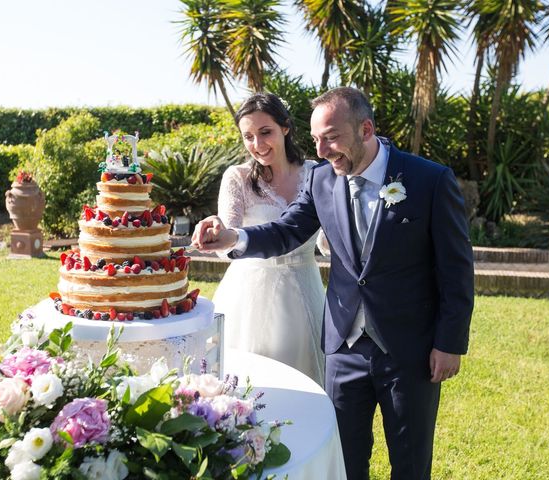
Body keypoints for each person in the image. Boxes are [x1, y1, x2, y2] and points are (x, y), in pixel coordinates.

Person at [192, 87, 475, 480]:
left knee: (410, 465)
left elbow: (456, 270)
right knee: (344, 461)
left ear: (366, 128)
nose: (322, 151)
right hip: (342, 349)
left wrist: (449, 343)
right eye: (316, 141)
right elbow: (289, 229)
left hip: (409, 349)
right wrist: (234, 239)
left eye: (332, 138)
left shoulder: (429, 180)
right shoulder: (322, 179)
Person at [212, 92, 326, 386]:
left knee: (308, 377)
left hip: (305, 287)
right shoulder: (237, 177)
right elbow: (226, 242)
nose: (257, 145)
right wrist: (218, 234)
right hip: (250, 295)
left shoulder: (316, 173)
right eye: (248, 136)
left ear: (285, 127)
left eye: (266, 132)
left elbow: (328, 241)